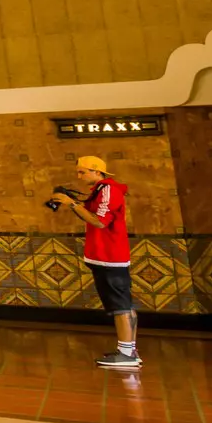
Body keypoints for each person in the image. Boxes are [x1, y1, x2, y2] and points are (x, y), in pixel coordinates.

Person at [51, 155, 138, 368]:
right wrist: (76, 202)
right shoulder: (99, 191)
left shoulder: (108, 189)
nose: (79, 176)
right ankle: (128, 350)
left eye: (83, 172)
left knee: (120, 306)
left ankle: (127, 355)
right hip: (105, 256)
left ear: (97, 171)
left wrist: (72, 204)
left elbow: (99, 222)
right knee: (121, 304)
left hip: (110, 256)